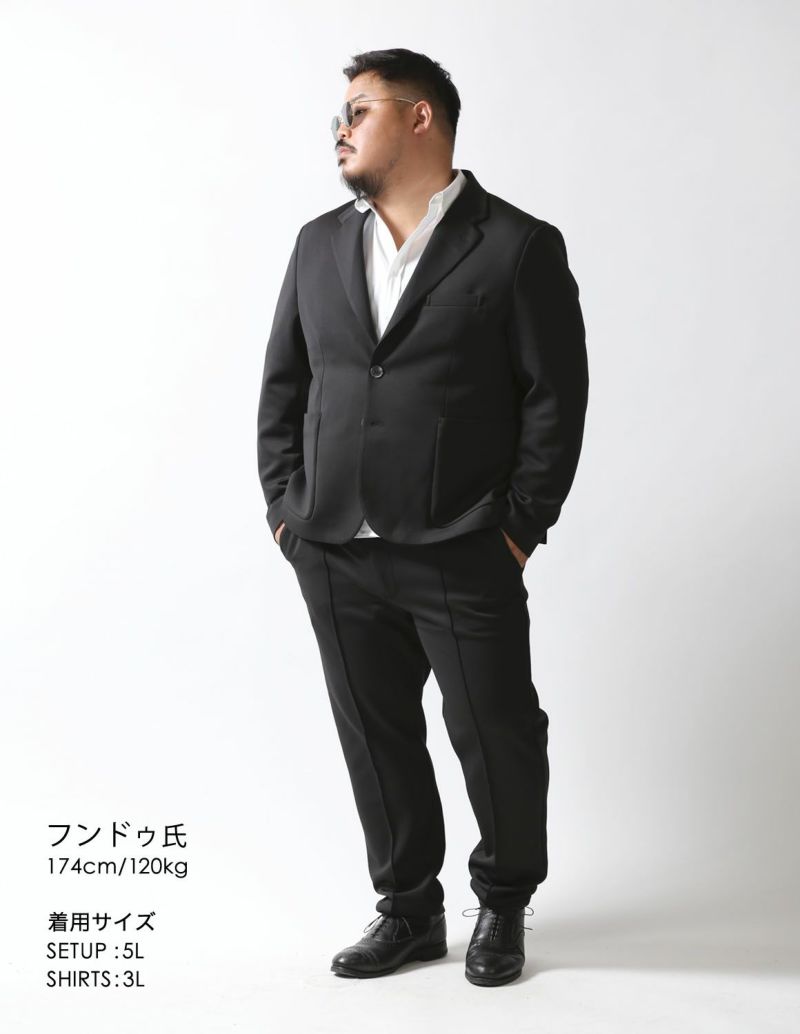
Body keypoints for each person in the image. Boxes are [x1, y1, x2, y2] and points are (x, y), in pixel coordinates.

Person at [256, 48, 589, 986]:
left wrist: (517, 527)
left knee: (497, 730)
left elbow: (555, 399)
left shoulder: (516, 245)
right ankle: (407, 909)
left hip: (461, 542)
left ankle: (505, 902)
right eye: (338, 114)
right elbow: (284, 387)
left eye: (358, 110)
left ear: (420, 118)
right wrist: (286, 514)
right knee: (375, 735)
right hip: (333, 544)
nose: (339, 128)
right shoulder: (317, 245)